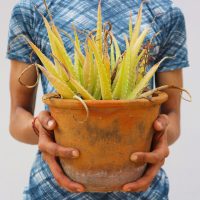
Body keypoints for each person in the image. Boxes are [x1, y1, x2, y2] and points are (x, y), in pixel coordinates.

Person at [7, 0, 189, 199]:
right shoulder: (32, 11)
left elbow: (172, 117)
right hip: (52, 191)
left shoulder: (164, 13)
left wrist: (159, 138)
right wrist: (39, 129)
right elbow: (17, 115)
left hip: (143, 191)